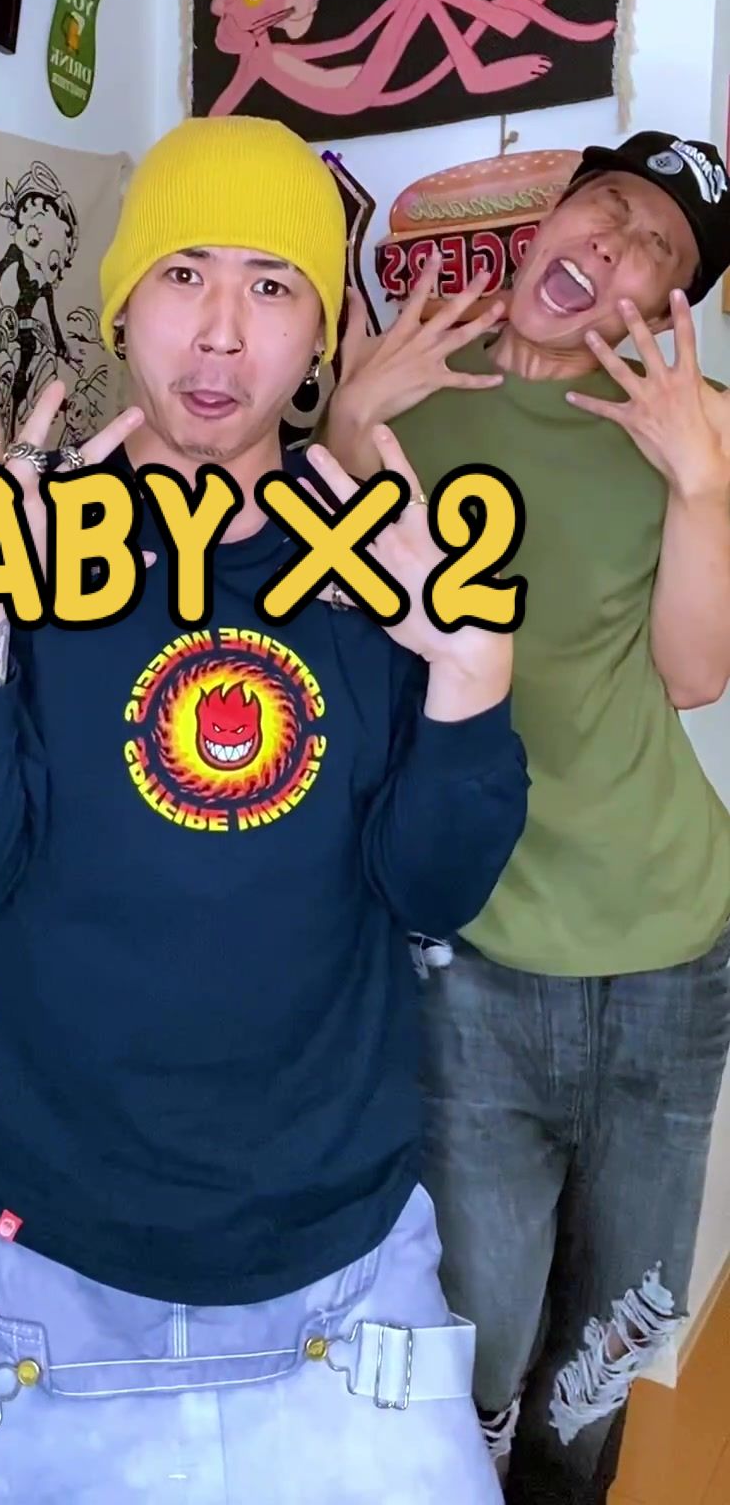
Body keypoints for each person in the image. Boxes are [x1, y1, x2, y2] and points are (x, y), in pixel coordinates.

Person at [0, 114, 529, 1504]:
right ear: (123, 306)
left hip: (340, 1281)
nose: (221, 332)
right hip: (34, 1272)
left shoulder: (379, 567)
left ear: (320, 332)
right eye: (183, 274)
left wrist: (467, 680)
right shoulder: (16, 544)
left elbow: (433, 890)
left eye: (271, 285)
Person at [322, 129, 730, 1503]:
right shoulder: (417, 383)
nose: (615, 246)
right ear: (550, 217)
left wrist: (703, 483)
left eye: (656, 252)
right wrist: (345, 428)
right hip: (480, 942)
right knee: (481, 1327)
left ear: (666, 308)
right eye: (606, 209)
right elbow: (331, 618)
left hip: (668, 947)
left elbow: (694, 673)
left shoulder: (693, 426)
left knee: (610, 1336)